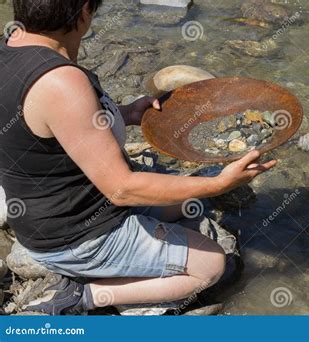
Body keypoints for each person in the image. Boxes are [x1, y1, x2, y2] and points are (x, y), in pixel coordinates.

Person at [0, 0, 276, 315]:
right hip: (76, 236)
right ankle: (83, 295)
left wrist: (127, 113)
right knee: (211, 264)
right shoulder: (61, 81)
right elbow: (121, 188)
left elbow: (52, 125)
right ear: (86, 11)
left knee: (189, 200)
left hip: (48, 217)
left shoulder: (8, 49)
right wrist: (219, 183)